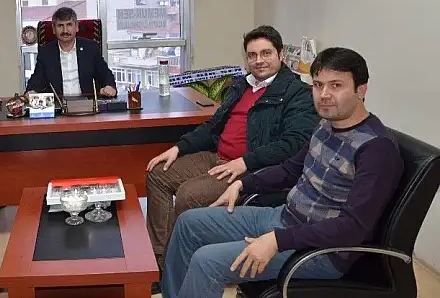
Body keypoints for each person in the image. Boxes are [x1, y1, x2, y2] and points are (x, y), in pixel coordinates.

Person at [162, 47, 404, 298]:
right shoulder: (326, 125)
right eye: (318, 85)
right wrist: (242, 184)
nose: (324, 95)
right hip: (285, 218)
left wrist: (278, 240)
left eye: (336, 85)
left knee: (207, 261)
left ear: (361, 90)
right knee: (188, 223)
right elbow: (290, 170)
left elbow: (353, 227)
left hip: (322, 251)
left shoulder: (376, 148)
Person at [144, 25, 319, 279]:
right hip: (217, 156)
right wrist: (178, 147)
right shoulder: (241, 85)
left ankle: (175, 267)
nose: (259, 60)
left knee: (188, 195)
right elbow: (212, 126)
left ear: (280, 55)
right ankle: (160, 258)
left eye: (266, 53)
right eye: (252, 55)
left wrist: (245, 162)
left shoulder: (297, 93)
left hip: (251, 168)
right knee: (158, 172)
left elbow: (294, 143)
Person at [25, 7, 117, 97]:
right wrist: (31, 91)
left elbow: (105, 73)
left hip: (87, 103)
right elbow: (37, 79)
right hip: (58, 104)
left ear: (76, 27)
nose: (65, 30)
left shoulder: (90, 48)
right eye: (60, 25)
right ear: (53, 29)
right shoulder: (46, 52)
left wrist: (109, 86)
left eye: (69, 25)